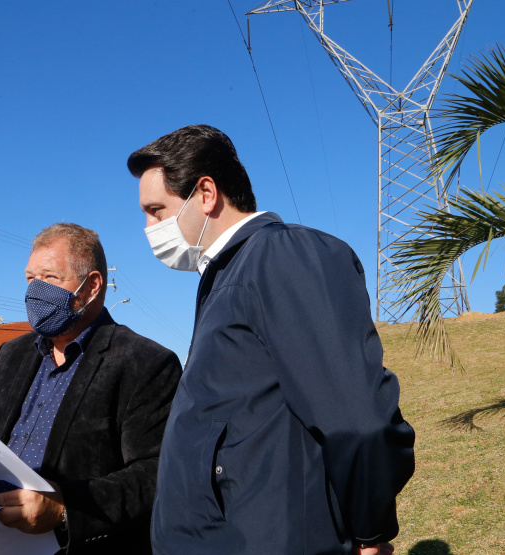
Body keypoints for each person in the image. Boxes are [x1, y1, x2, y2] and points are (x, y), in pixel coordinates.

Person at [128, 124, 416, 555]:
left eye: (156, 210)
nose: (149, 227)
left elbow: (357, 416)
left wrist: (370, 531)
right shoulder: (229, 275)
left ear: (206, 194)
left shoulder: (281, 256)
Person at [0, 223, 183, 554]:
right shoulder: (10, 355)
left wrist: (64, 510)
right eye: (30, 278)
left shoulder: (145, 362)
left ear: (92, 286)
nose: (35, 291)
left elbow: (158, 472)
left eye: (50, 278)